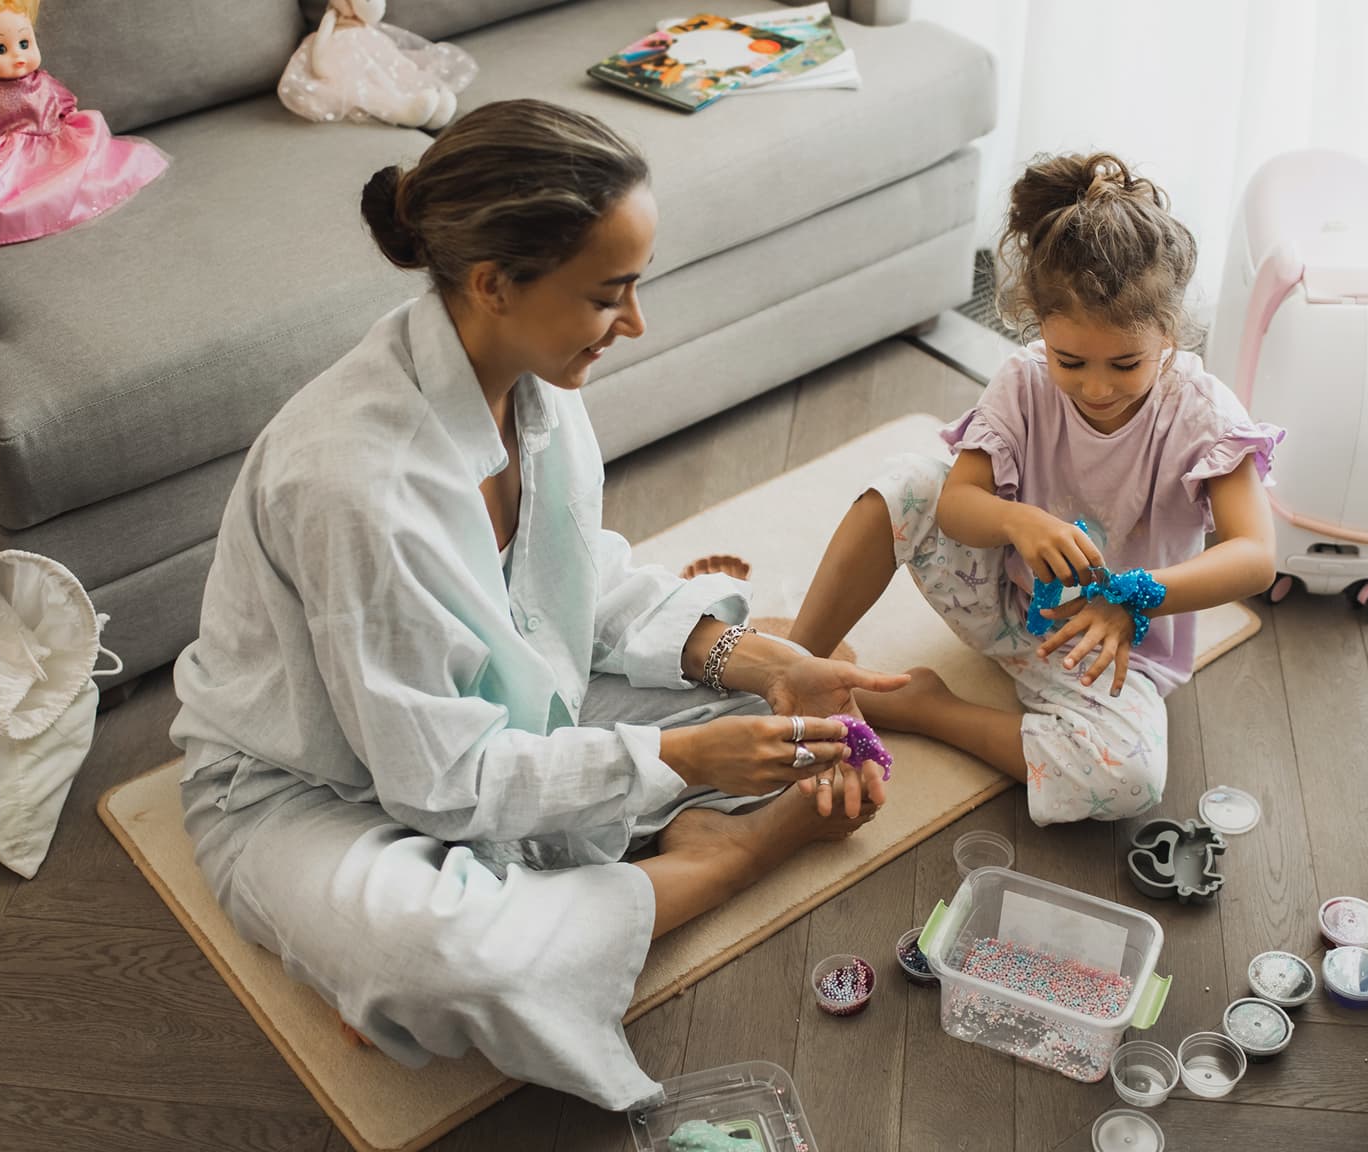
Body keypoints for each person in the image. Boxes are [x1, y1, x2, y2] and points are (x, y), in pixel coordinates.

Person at [169, 98, 907, 1109]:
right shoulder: (358, 488)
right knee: (449, 960)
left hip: (495, 717)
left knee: (791, 686)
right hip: (309, 787)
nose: (635, 323)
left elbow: (573, 591)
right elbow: (436, 782)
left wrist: (762, 662)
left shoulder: (535, 382)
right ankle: (731, 854)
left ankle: (599, 884)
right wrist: (684, 761)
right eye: (609, 295)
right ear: (493, 284)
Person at [786, 152, 1283, 826]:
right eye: (1070, 360)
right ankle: (794, 666)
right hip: (1001, 603)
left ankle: (929, 710)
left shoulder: (1201, 414)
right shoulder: (1024, 382)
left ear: (1168, 333)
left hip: (1110, 651)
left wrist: (1132, 600)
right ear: (1037, 325)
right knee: (909, 482)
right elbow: (957, 505)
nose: (1097, 387)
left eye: (1126, 364)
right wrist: (1016, 521)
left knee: (1131, 777)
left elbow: (1254, 556)